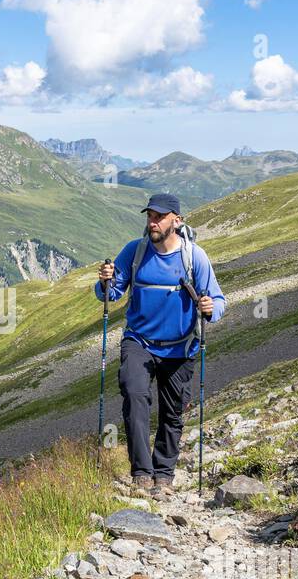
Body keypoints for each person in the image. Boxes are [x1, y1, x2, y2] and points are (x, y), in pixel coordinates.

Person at [96, 192, 226, 499]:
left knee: (173, 413)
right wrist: (104, 281)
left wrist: (210, 308)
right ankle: (142, 473)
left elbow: (218, 301)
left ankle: (164, 475)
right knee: (134, 394)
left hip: (180, 347)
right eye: (149, 216)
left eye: (159, 217)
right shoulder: (135, 251)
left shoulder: (195, 257)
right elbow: (111, 293)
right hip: (138, 341)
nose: (152, 222)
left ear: (177, 221)